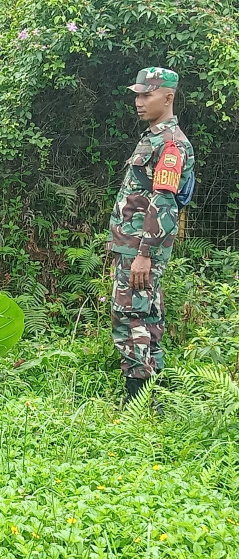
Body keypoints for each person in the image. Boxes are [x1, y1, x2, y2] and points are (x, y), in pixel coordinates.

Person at [106, 67, 194, 405]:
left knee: (131, 317)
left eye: (147, 95)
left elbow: (165, 202)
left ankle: (138, 401)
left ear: (168, 97)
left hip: (142, 248)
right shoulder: (154, 137)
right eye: (137, 95)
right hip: (133, 246)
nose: (139, 102)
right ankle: (151, 396)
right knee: (145, 315)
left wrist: (144, 253)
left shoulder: (171, 144)